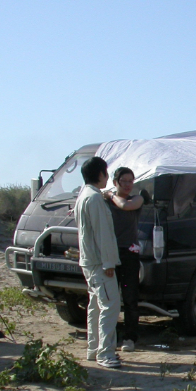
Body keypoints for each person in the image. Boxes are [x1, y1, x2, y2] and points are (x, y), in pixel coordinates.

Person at [75, 157, 121, 369]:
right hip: (99, 263)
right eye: (106, 172)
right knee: (110, 306)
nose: (108, 176)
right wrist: (108, 263)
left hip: (89, 261)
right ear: (101, 174)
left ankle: (93, 349)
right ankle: (106, 353)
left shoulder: (84, 195)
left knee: (95, 305)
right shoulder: (94, 199)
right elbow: (103, 234)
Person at [103, 167, 143, 352]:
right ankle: (109, 337)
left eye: (130, 181)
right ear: (115, 182)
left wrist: (110, 195)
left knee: (130, 297)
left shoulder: (137, 199)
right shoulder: (104, 202)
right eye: (123, 181)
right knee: (109, 297)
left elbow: (125, 206)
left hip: (129, 254)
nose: (127, 185)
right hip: (110, 252)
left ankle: (130, 337)